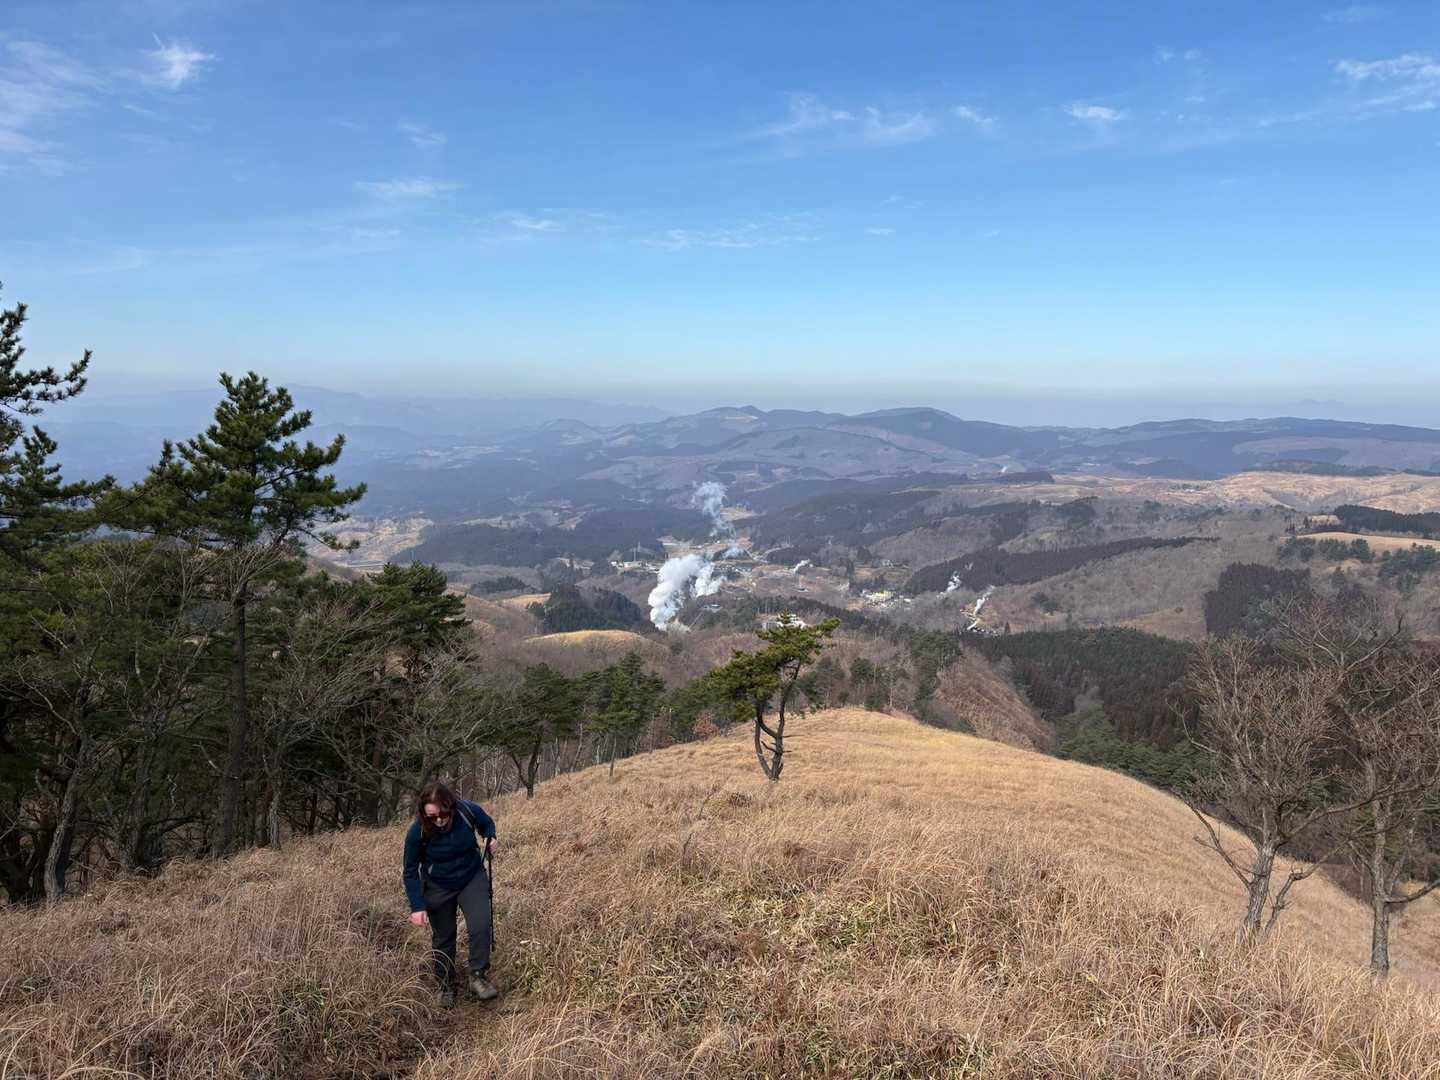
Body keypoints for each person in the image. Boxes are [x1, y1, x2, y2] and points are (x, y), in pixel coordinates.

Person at [402, 781, 499, 1007]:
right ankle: (445, 985)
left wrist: (490, 837)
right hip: (437, 886)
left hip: (471, 877)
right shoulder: (417, 831)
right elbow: (410, 870)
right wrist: (417, 906)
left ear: (451, 806)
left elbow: (486, 824)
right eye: (432, 817)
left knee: (480, 925)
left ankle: (477, 976)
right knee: (443, 937)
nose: (438, 820)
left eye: (443, 814)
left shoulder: (467, 811)